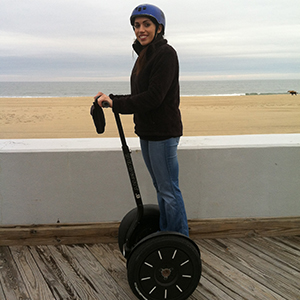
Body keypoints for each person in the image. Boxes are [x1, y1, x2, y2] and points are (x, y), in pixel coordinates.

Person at [95, 4, 189, 236]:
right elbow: (140, 95)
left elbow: (153, 97)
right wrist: (112, 100)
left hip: (163, 133)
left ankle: (179, 240)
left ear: (159, 28)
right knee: (161, 188)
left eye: (146, 24)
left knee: (169, 190)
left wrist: (118, 105)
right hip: (147, 132)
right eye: (137, 26)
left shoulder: (166, 54)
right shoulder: (144, 56)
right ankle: (167, 234)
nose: (141, 30)